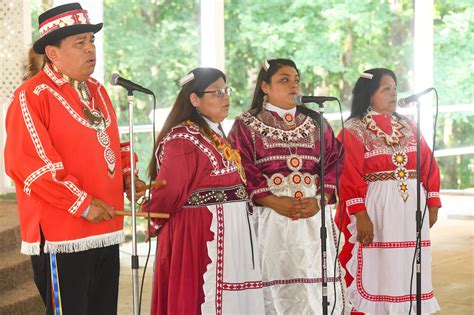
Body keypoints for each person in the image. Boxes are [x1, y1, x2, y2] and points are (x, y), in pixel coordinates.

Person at [4, 3, 144, 314]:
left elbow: (112, 145)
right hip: (63, 232)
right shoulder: (32, 95)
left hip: (105, 226)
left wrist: (127, 176)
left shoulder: (97, 91)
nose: (90, 49)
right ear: (52, 53)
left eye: (91, 41)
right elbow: (28, 164)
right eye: (79, 43)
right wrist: (81, 203)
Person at [228, 58, 346, 314]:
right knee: (273, 284)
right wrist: (272, 200)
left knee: (314, 283)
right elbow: (241, 166)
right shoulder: (245, 125)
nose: (294, 85)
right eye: (284, 80)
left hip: (313, 218)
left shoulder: (317, 122)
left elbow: (334, 161)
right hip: (269, 218)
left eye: (296, 80)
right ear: (265, 87)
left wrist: (321, 199)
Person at [145, 67, 265, 314]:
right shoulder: (183, 138)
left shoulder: (214, 134)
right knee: (200, 297)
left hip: (231, 232)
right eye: (217, 92)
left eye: (226, 90)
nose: (226, 97)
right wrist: (151, 217)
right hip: (200, 234)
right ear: (195, 99)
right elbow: (169, 191)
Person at [335, 68, 441, 314]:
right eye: (386, 89)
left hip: (410, 212)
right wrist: (360, 215)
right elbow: (347, 175)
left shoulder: (409, 126)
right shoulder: (353, 129)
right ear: (369, 95)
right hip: (376, 213)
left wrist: (433, 202)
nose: (394, 94)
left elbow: (428, 165)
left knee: (408, 268)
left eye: (395, 88)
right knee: (380, 268)